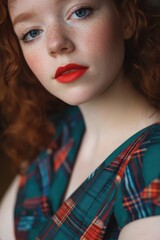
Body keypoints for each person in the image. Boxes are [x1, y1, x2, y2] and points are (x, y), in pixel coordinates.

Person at [0, 0, 160, 239]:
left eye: (80, 12)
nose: (56, 44)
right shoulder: (56, 135)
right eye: (32, 32)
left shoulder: (152, 165)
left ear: (126, 17)